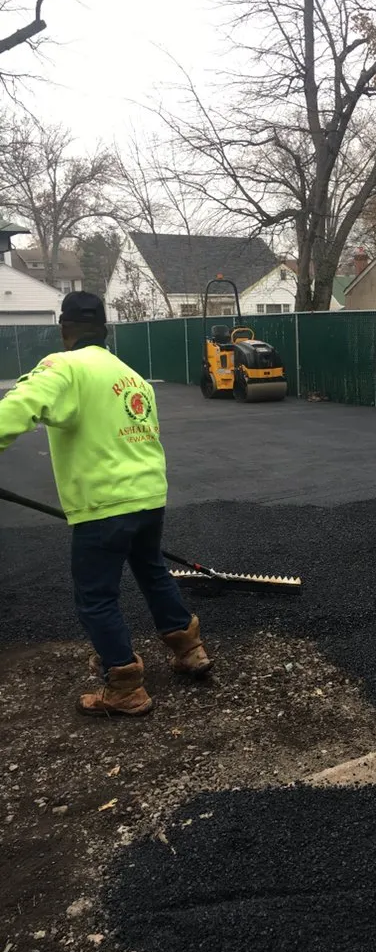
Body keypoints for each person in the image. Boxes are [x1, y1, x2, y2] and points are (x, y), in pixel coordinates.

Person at [0, 291, 213, 717]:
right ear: (106, 331)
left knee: (96, 596)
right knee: (151, 571)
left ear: (64, 329)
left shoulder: (63, 366)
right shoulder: (131, 376)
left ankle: (124, 685)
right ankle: (190, 650)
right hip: (149, 496)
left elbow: (19, 406)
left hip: (105, 504)